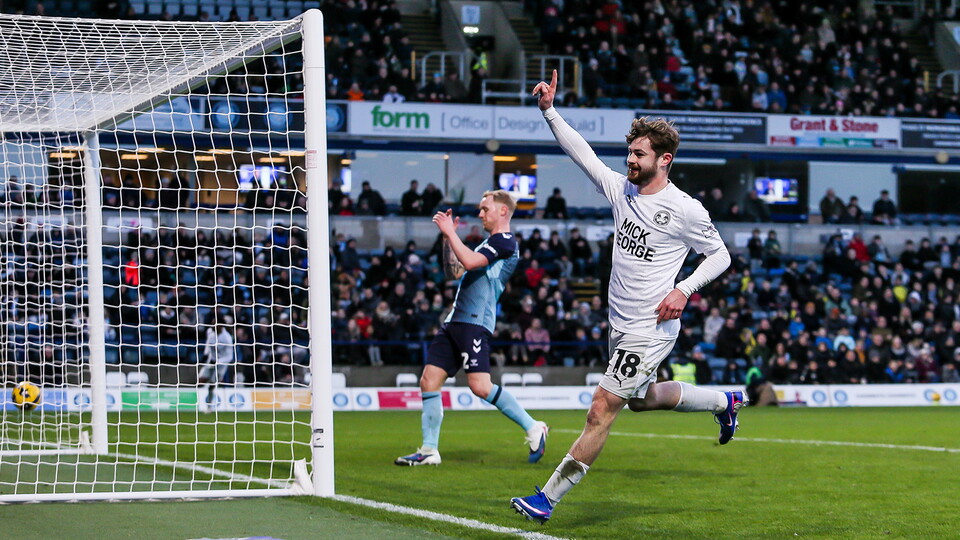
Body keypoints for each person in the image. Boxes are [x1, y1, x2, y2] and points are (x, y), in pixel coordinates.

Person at [511, 71, 741, 523]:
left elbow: (721, 256)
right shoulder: (623, 190)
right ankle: (723, 402)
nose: (630, 160)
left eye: (639, 154)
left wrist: (683, 289)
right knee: (640, 398)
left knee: (601, 410)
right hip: (620, 324)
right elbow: (583, 155)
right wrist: (549, 112)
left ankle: (546, 499)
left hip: (650, 328)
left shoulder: (685, 209)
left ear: (665, 159)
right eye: (630, 152)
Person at [395, 190, 549, 466]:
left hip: (475, 323)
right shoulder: (488, 244)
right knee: (429, 380)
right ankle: (429, 450)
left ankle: (533, 427)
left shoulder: (505, 242)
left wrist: (450, 233)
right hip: (456, 321)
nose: (480, 214)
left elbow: (468, 262)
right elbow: (453, 272)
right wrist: (448, 239)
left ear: (503, 211)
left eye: (485, 208)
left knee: (480, 386)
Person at [199, 315, 235, 410]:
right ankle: (195, 402)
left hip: (221, 365)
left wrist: (219, 362)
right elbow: (208, 343)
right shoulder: (210, 331)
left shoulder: (227, 338)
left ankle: (209, 406)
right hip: (211, 360)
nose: (212, 326)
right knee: (201, 380)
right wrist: (205, 354)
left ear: (220, 326)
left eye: (214, 324)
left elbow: (229, 356)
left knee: (212, 384)